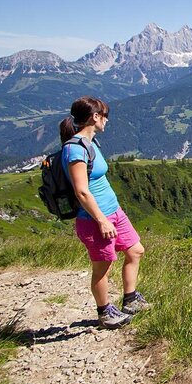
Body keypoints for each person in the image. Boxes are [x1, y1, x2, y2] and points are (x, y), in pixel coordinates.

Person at [59, 96, 148, 329]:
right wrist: (101, 220)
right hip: (95, 219)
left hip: (114, 212)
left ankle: (130, 299)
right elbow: (82, 192)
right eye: (105, 115)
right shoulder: (75, 150)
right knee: (103, 267)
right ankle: (105, 312)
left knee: (136, 250)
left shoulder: (91, 143)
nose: (107, 120)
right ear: (95, 117)